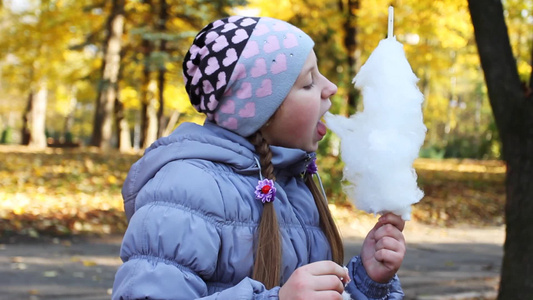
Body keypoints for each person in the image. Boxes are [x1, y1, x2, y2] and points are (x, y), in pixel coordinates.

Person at [112, 15, 405, 300]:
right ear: (260, 112)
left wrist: (367, 282)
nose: (331, 88)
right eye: (308, 83)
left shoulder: (294, 185)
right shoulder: (186, 190)